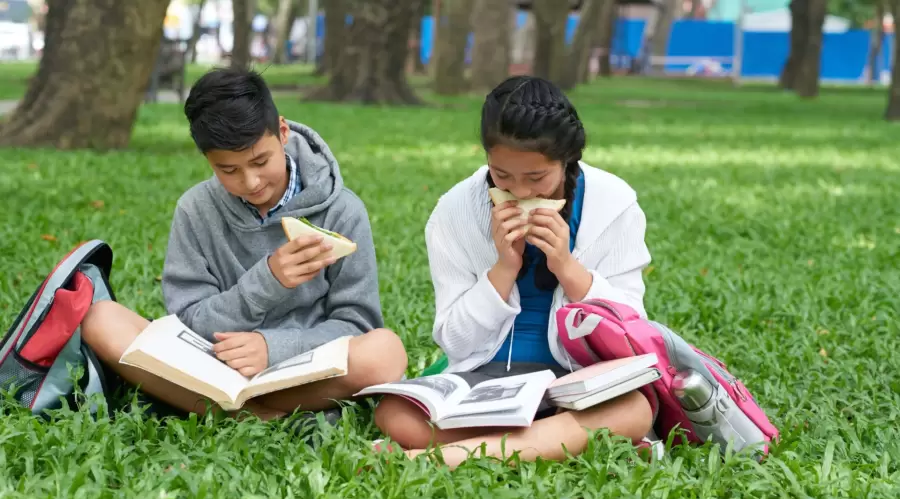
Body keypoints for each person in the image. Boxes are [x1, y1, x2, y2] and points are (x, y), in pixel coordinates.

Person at [82, 67, 407, 421]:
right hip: (216, 366)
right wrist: (268, 281)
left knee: (385, 351)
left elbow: (357, 323)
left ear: (282, 132)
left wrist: (274, 348)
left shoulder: (342, 210)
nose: (250, 182)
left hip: (307, 368)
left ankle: (245, 412)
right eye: (229, 170)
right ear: (207, 160)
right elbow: (190, 319)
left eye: (260, 161)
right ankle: (267, 415)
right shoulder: (196, 209)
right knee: (101, 318)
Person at [374, 76, 654, 467]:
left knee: (634, 410)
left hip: (578, 383)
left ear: (567, 161)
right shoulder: (453, 212)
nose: (519, 192)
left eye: (536, 178)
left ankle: (443, 457)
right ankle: (552, 442)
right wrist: (504, 269)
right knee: (393, 413)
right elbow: (456, 341)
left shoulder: (614, 204)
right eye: (501, 176)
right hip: (487, 382)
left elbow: (632, 333)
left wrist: (567, 267)